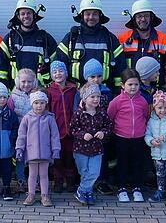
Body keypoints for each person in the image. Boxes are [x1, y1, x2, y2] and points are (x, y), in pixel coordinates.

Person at [58, 0, 126, 87]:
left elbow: (121, 67)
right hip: (75, 91)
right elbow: (59, 64)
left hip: (103, 92)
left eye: (95, 14)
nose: (91, 17)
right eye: (87, 14)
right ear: (82, 15)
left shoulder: (109, 38)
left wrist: (117, 91)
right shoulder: (72, 37)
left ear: (100, 16)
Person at [0, 0, 57, 87]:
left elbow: (56, 65)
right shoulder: (10, 39)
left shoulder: (45, 38)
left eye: (29, 13)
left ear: (34, 15)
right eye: (22, 14)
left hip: (39, 93)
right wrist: (2, 89)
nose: (26, 16)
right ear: (18, 16)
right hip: (15, 92)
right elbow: (0, 69)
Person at [107, 69, 149, 203]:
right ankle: (122, 188)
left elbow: (145, 117)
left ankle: (137, 188)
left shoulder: (142, 101)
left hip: (139, 138)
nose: (133, 87)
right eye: (130, 84)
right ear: (123, 85)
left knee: (137, 163)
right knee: (122, 163)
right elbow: (110, 117)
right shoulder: (117, 101)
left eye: (136, 84)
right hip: (121, 138)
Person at [16, 90, 61, 207]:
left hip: (46, 152)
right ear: (32, 104)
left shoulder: (50, 118)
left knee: (44, 175)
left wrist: (56, 149)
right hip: (31, 152)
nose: (39, 106)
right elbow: (22, 135)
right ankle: (31, 194)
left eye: (42, 103)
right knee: (32, 175)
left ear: (46, 104)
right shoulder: (27, 118)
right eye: (36, 103)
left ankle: (44, 195)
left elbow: (55, 135)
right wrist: (19, 149)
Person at [70, 83, 111, 206]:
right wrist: (83, 135)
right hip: (80, 149)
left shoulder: (102, 113)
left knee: (94, 172)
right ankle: (87, 192)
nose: (95, 99)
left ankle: (82, 190)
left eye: (97, 96)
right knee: (84, 171)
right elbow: (73, 128)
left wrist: (103, 132)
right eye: (92, 97)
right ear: (84, 98)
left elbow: (108, 126)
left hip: (96, 149)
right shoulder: (78, 113)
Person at [119, 0, 166, 85]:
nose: (143, 19)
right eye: (139, 16)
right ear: (134, 19)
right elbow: (119, 68)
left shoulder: (165, 40)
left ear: (151, 18)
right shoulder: (122, 39)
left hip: (157, 91)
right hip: (131, 90)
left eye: (146, 16)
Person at [46, 60, 79, 193]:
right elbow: (47, 109)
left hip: (70, 131)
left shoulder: (73, 89)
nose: (58, 74)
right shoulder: (49, 91)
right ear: (51, 75)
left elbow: (76, 109)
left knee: (70, 157)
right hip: (56, 131)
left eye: (60, 71)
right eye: (55, 72)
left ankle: (71, 181)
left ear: (66, 73)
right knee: (57, 158)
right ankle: (58, 181)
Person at [145, 90, 166, 206]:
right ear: (154, 108)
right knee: (160, 174)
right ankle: (161, 191)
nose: (162, 110)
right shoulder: (151, 121)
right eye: (159, 108)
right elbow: (147, 134)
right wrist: (151, 141)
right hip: (157, 154)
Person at [7, 68, 38, 193]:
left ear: (34, 82)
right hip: (20, 134)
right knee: (19, 159)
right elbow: (9, 116)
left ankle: (35, 182)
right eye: (23, 81)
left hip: (35, 134)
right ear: (18, 81)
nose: (26, 85)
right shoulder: (12, 97)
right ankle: (21, 181)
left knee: (34, 159)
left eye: (29, 82)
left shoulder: (37, 95)